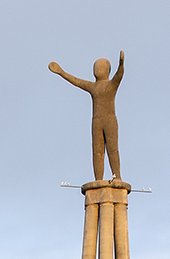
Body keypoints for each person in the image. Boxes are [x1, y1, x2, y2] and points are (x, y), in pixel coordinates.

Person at [48, 52, 125, 181]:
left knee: (112, 149)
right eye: (96, 67)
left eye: (100, 67)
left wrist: (121, 64)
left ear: (107, 70)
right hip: (96, 122)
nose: (97, 69)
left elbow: (119, 75)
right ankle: (98, 179)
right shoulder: (93, 86)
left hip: (109, 120)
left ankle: (117, 176)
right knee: (97, 151)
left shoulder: (111, 84)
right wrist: (61, 72)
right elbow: (76, 81)